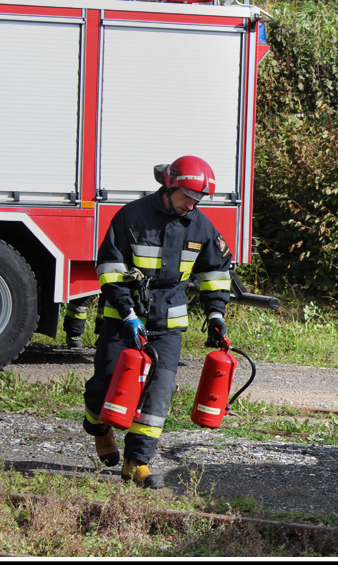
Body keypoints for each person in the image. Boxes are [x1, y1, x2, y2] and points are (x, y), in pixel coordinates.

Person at [83, 155, 233, 488]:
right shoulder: (131, 217)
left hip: (168, 324)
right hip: (123, 319)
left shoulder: (200, 227)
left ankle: (137, 463)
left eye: (198, 199)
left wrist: (216, 316)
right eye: (187, 197)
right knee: (104, 386)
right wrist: (128, 313)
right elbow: (109, 269)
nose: (192, 204)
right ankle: (98, 428)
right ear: (169, 186)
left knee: (159, 392)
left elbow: (216, 274)